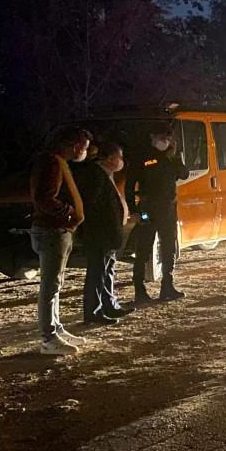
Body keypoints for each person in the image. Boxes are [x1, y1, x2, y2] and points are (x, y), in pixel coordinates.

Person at [29, 126, 91, 355]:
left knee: (55, 284)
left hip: (57, 230)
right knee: (50, 286)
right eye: (83, 147)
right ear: (73, 145)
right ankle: (49, 338)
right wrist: (69, 213)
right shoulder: (52, 163)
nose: (84, 152)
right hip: (52, 231)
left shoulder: (55, 161)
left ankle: (56, 328)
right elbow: (44, 198)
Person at [127, 126, 190, 303]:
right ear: (152, 136)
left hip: (168, 211)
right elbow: (130, 186)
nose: (165, 141)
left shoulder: (170, 157)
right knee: (143, 251)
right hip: (147, 210)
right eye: (162, 137)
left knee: (169, 248)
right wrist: (134, 211)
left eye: (168, 138)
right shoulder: (143, 156)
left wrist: (174, 157)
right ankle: (140, 290)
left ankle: (167, 286)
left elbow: (184, 174)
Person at [73, 141, 131, 325]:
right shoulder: (95, 176)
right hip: (100, 235)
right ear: (111, 158)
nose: (121, 161)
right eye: (120, 157)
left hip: (108, 235)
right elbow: (93, 206)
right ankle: (93, 312)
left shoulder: (106, 175)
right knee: (97, 274)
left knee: (107, 271)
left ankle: (108, 305)